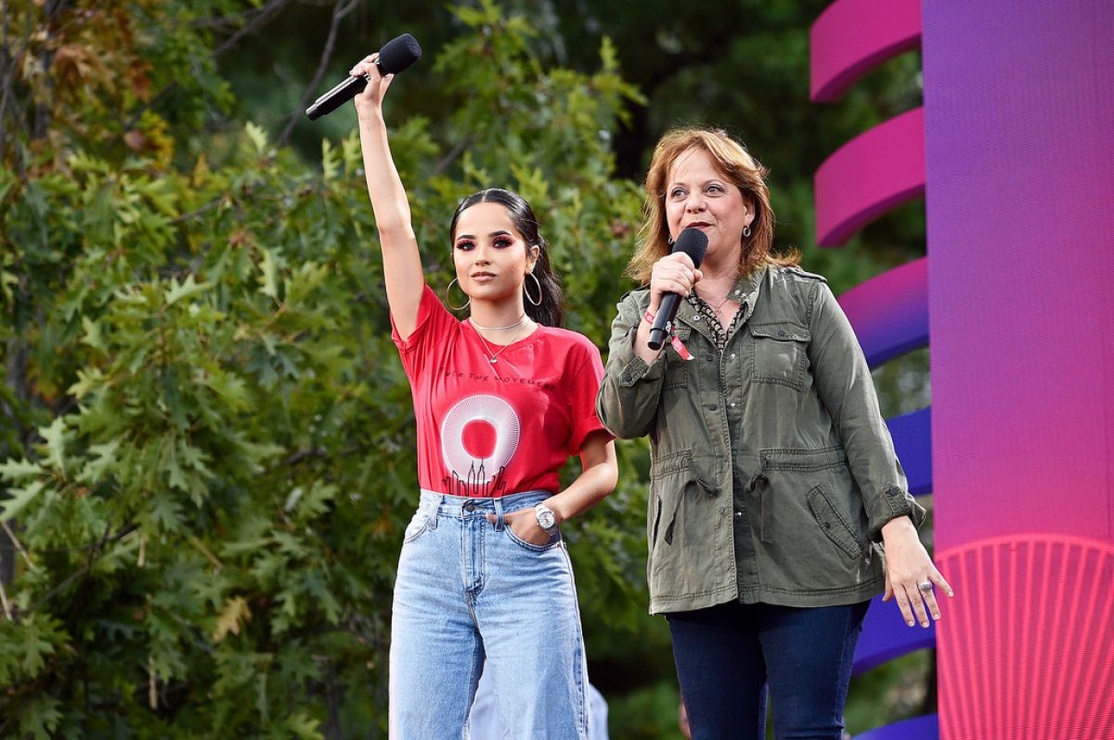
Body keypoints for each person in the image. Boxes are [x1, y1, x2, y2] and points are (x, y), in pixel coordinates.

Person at [595, 127, 954, 739]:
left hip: (813, 558)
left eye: (713, 189)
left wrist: (897, 530)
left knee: (808, 731)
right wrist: (653, 322)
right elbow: (621, 420)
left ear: (748, 209)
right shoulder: (642, 313)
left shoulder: (805, 301)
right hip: (698, 567)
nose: (693, 204)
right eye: (678, 193)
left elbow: (860, 421)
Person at [349, 52, 618, 739]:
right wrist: (370, 114)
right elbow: (393, 227)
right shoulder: (430, 338)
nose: (481, 256)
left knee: (546, 729)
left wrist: (549, 516)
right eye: (467, 245)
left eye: (500, 241)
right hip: (433, 551)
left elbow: (603, 471)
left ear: (530, 255)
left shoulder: (570, 352)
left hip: (525, 552)